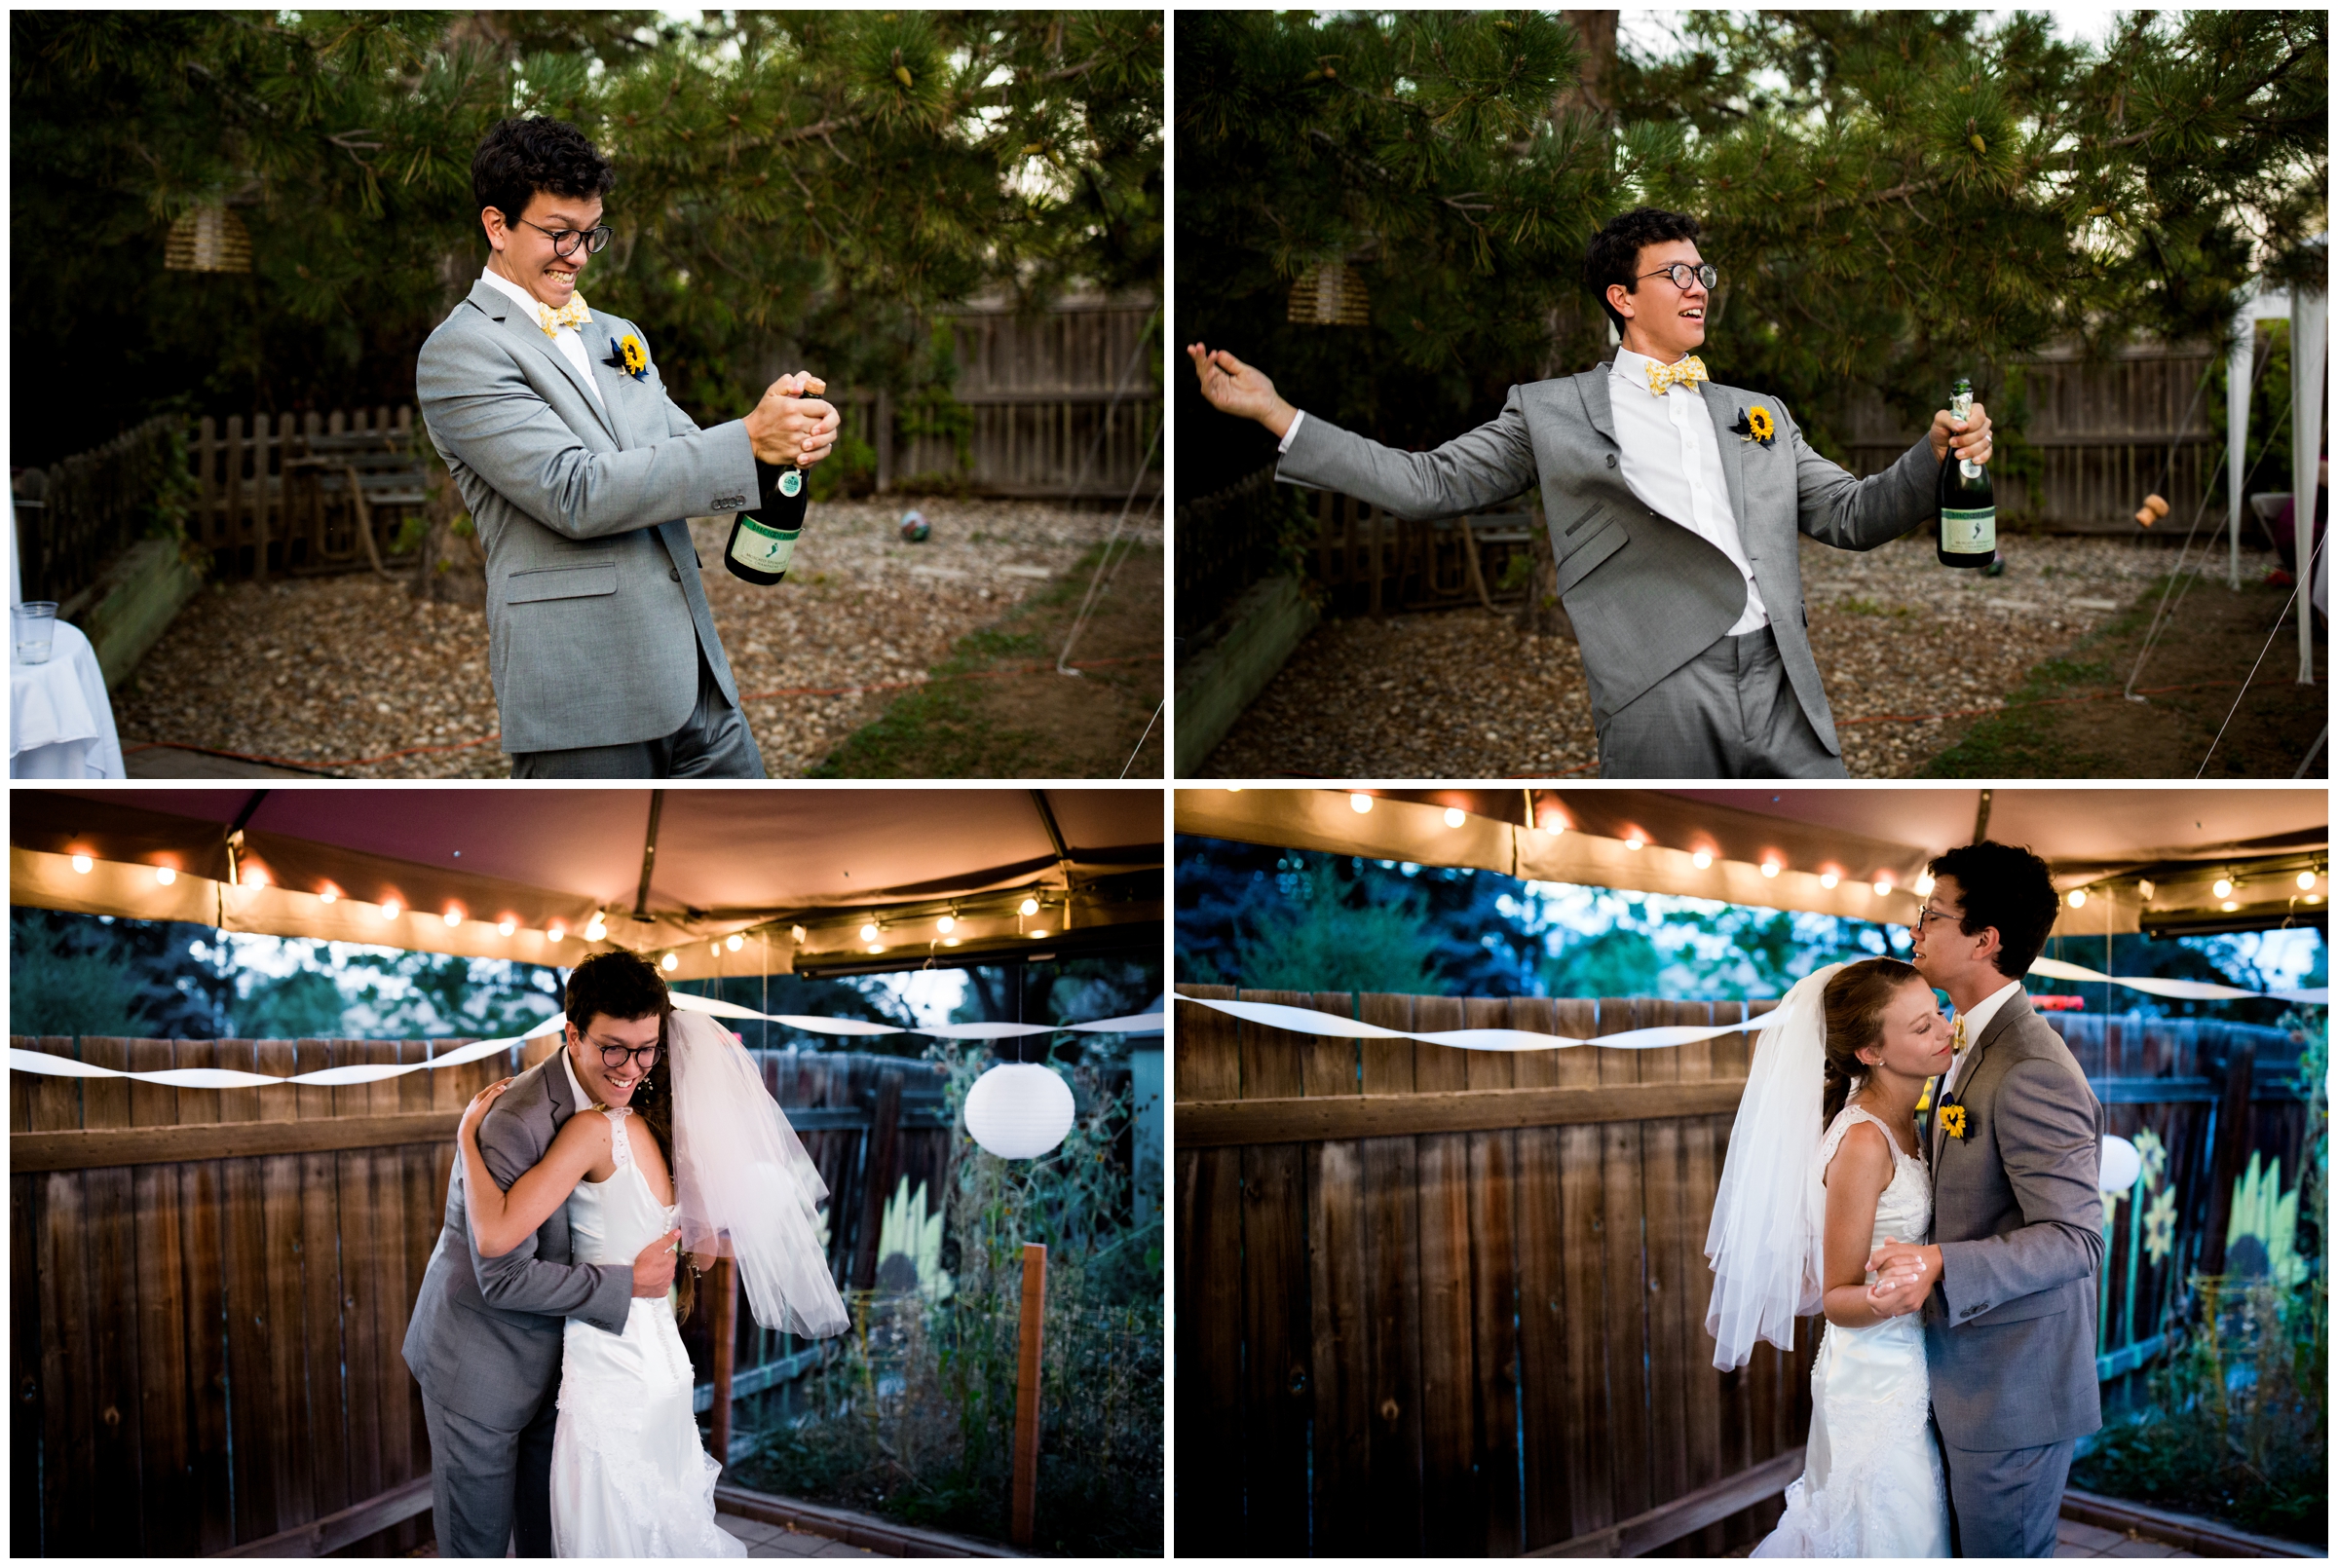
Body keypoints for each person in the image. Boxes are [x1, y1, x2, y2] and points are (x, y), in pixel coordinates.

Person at [1186, 205, 1997, 779]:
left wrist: (1931, 454)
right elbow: (1424, 481)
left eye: (1702, 271)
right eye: (1675, 272)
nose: (1699, 286)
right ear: (1622, 297)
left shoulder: (1758, 414)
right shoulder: (1548, 412)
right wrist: (1277, 413)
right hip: (1659, 688)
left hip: (1786, 683)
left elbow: (1853, 516)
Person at [416, 116, 842, 778]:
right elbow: (573, 491)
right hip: (586, 693)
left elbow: (685, 454)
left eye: (591, 234)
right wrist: (745, 441)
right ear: (497, 226)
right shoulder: (461, 351)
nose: (579, 256)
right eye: (558, 233)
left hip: (698, 683)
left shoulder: (617, 333)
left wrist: (778, 435)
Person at [452, 952, 850, 1558]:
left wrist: (464, 1142)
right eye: (616, 1049)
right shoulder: (669, 1145)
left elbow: (495, 1235)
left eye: (646, 1051)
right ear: (573, 1034)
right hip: (660, 1360)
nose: (631, 1065)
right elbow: (708, 1253)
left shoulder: (595, 1130)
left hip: (610, 1365)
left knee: (604, 1525)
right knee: (652, 1522)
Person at [1870, 841, 2105, 1556]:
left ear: (1985, 940)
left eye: (1931, 916)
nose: (1915, 931)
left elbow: (2077, 1238)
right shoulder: (1964, 1043)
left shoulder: (2030, 1065)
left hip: (2012, 1394)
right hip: (1958, 1375)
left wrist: (1940, 1260)